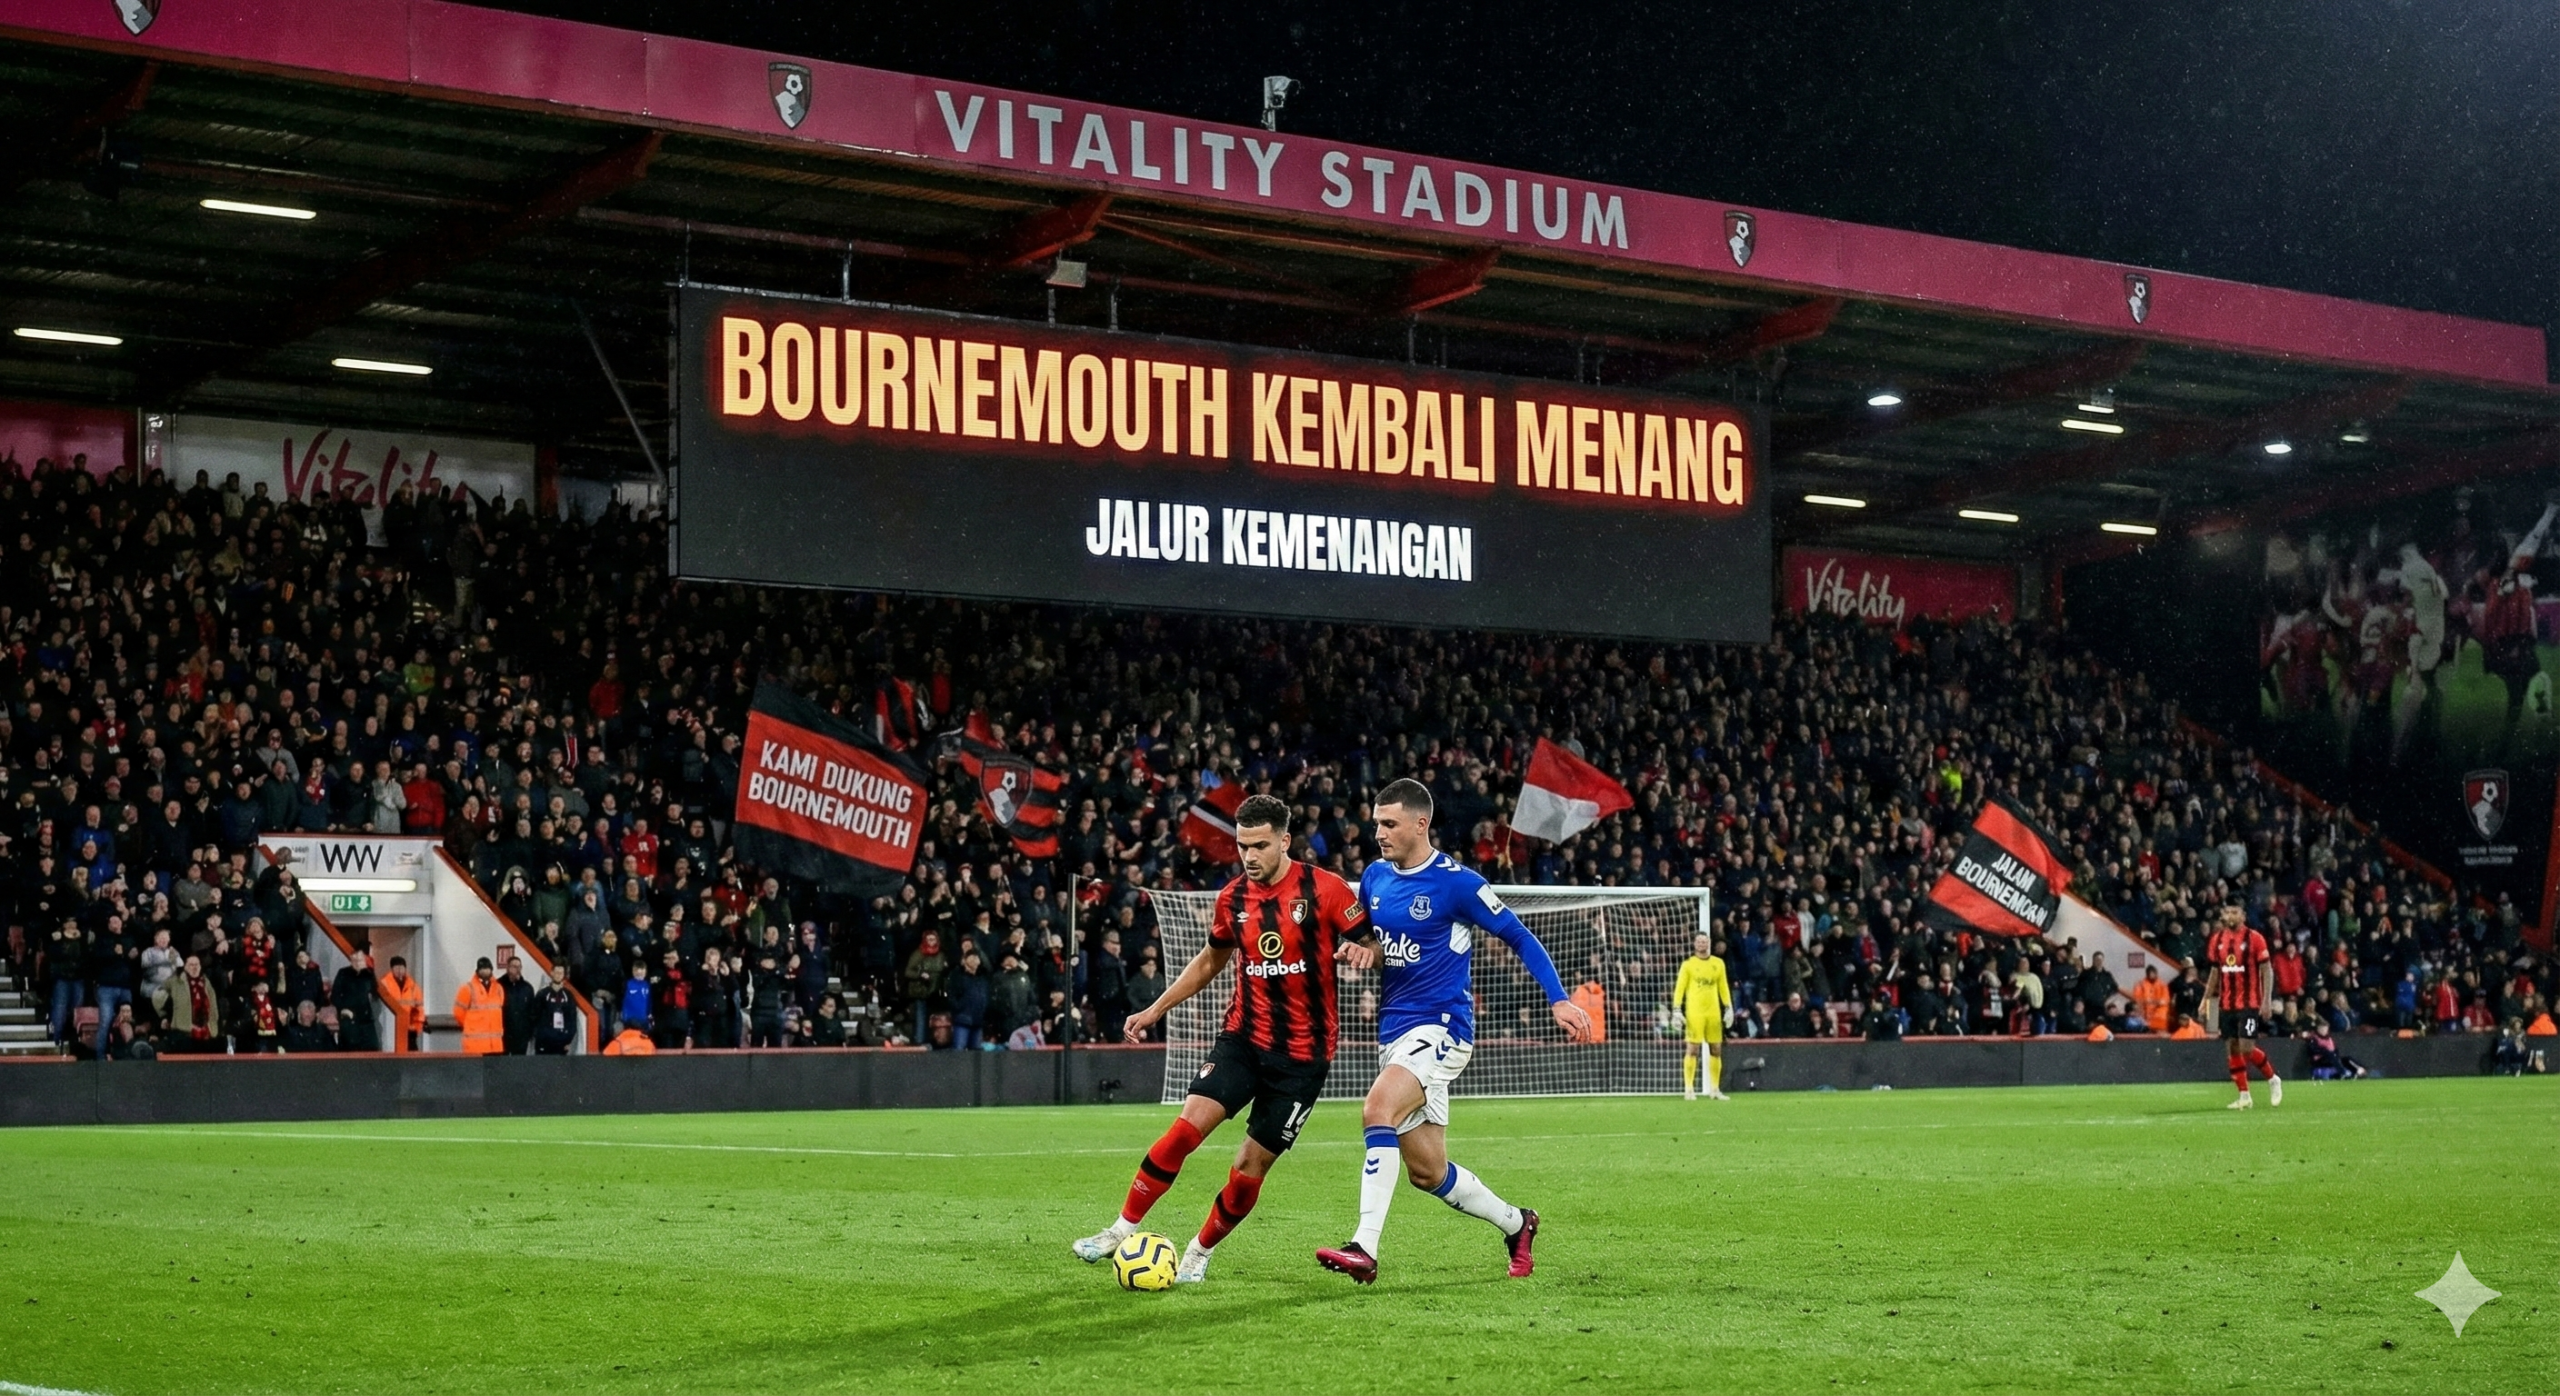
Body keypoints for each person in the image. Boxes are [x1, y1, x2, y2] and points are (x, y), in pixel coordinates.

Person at [1071, 795, 1375, 1286]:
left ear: (1284, 840)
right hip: (1243, 1039)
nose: (1249, 856)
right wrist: (1154, 1010)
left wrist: (1364, 953)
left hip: (1302, 1059)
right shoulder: (1232, 898)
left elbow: (1373, 943)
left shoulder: (1327, 890)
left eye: (1258, 846)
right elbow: (1210, 961)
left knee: (1248, 1168)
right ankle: (1119, 1229)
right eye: (1241, 846)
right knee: (1185, 1130)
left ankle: (1198, 1250)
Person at [1316, 779, 1591, 1286]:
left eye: (1389, 823)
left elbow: (1518, 935)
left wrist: (1558, 998)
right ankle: (1517, 1223)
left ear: (1421, 824)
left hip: (1443, 1027)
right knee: (1428, 1172)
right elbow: (1381, 947)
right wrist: (1365, 953)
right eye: (1377, 822)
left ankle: (1364, 1247)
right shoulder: (1375, 878)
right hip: (1395, 1033)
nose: (1378, 833)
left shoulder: (1457, 883)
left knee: (1377, 1109)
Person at [2203, 904, 2282, 1110]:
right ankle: (2244, 1095)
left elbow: (2267, 970)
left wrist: (2266, 1000)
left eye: (2235, 912)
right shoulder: (2217, 940)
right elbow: (2214, 972)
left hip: (2249, 1003)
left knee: (2246, 1048)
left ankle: (2273, 1079)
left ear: (2243, 915)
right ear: (2222, 915)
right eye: (2228, 912)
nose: (2231, 915)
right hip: (2226, 1004)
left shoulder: (2255, 938)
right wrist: (2205, 999)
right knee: (2232, 1048)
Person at [1671, 932, 1733, 1101]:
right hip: (1695, 1013)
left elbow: (1723, 987)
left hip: (1713, 1013)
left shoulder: (1718, 964)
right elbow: (1680, 988)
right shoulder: (1688, 965)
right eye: (1699, 941)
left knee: (1716, 1049)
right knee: (1692, 1049)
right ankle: (1689, 1089)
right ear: (1694, 944)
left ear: (1709, 943)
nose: (1701, 944)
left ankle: (1714, 1089)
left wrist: (1728, 1008)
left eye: (1704, 941)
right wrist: (1676, 1009)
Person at [453, 957, 507, 1056]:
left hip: (495, 1046)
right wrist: (470, 1027)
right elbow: (458, 1013)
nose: (485, 971)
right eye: (483, 968)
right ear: (477, 971)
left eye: (487, 968)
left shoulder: (498, 989)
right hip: (474, 1046)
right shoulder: (467, 988)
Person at [331, 951, 383, 1053]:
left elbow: (375, 995)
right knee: (350, 1052)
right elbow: (335, 996)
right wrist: (343, 1009)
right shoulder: (343, 973)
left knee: (372, 1050)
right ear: (351, 959)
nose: (358, 963)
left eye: (360, 960)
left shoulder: (368, 975)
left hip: (366, 1021)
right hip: (349, 1021)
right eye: (355, 960)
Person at [380, 956, 426, 1052]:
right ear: (392, 969)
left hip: (409, 1030)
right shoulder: (384, 984)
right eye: (397, 967)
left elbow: (419, 1010)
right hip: (391, 1031)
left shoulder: (413, 986)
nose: (400, 970)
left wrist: (416, 1028)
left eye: (402, 967)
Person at [499, 955, 536, 1055]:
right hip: (503, 1035)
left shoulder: (527, 988)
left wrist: (529, 1033)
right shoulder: (498, 986)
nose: (517, 970)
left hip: (521, 1036)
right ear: (507, 968)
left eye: (519, 967)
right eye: (514, 967)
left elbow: (532, 1012)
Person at [532, 975, 579, 1055]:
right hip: (543, 1042)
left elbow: (572, 1019)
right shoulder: (542, 994)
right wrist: (538, 1036)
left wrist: (568, 1039)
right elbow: (534, 1016)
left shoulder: (568, 995)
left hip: (561, 1042)